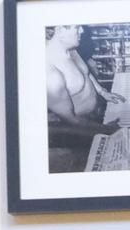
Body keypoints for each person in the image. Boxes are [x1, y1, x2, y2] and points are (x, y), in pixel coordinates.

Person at [45, 24, 124, 170]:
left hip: (95, 117)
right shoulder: (49, 74)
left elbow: (85, 73)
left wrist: (102, 92)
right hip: (79, 132)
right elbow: (71, 120)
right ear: (61, 30)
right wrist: (106, 130)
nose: (81, 30)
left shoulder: (69, 48)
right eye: (77, 27)